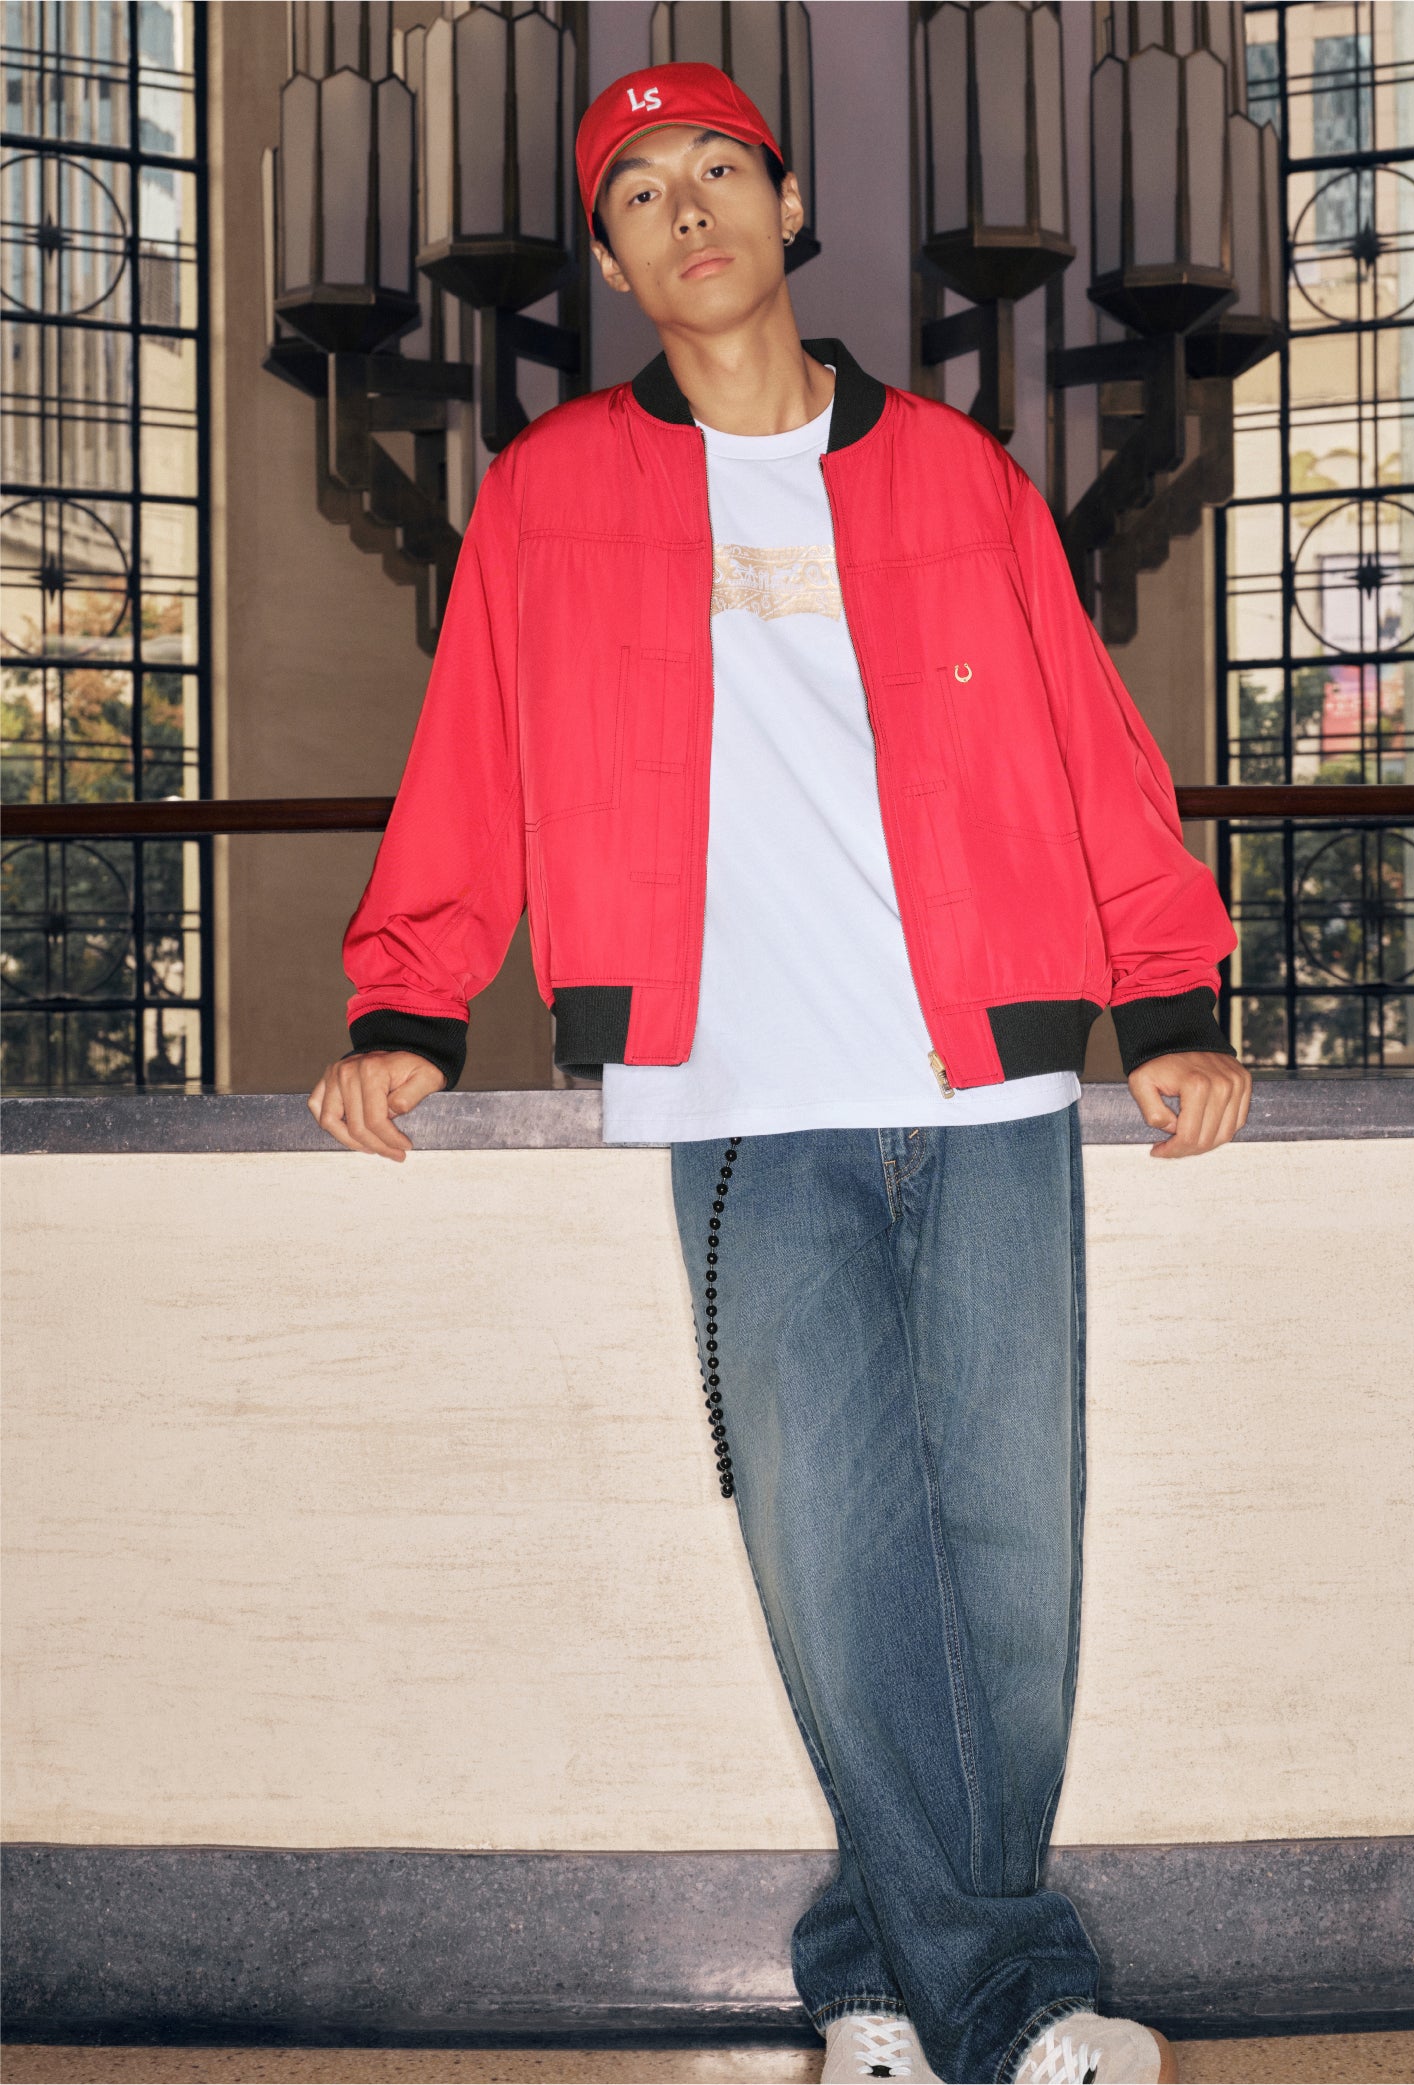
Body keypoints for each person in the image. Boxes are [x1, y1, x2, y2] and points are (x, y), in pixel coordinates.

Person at [308, 60, 1251, 2085]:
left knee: (1010, 1556)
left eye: (717, 167)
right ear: (614, 257)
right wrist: (411, 1002)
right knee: (837, 1557)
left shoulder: (959, 472)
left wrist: (1167, 993)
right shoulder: (551, 489)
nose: (686, 208)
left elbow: (1093, 746)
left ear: (790, 202)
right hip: (734, 1087)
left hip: (987, 1078)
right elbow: (470, 754)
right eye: (638, 189)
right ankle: (1013, 1999)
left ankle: (872, 1977)